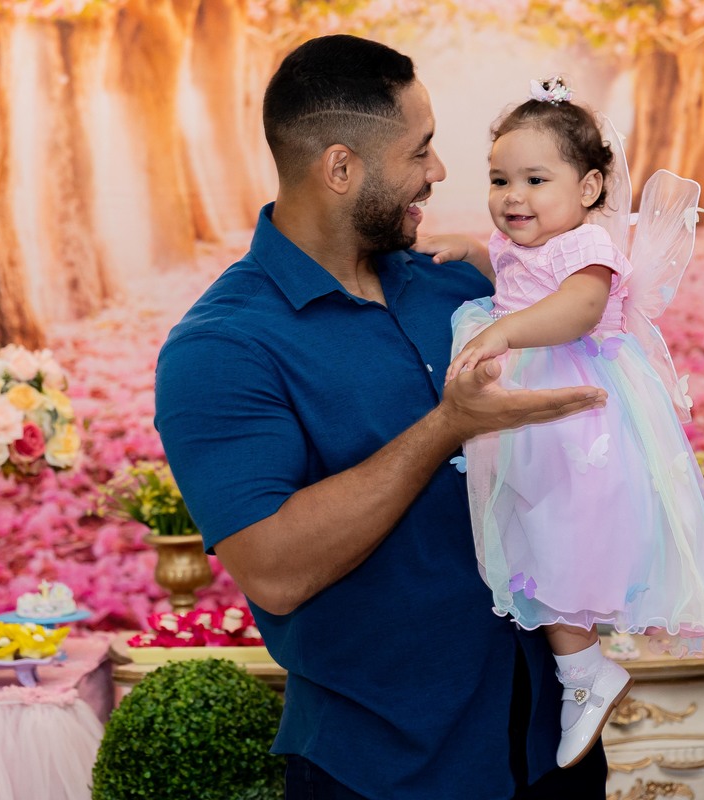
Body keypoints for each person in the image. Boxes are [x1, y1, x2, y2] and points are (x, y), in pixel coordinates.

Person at [154, 37, 612, 800]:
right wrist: (446, 427)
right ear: (341, 168)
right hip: (380, 772)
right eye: (420, 150)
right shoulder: (221, 347)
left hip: (549, 753)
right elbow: (273, 570)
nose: (439, 172)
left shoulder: (459, 286)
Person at [415, 77, 704, 769]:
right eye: (500, 180)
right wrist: (473, 253)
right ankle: (584, 670)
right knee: (530, 533)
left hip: (576, 406)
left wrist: (503, 332)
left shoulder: (587, 248)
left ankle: (585, 672)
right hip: (533, 411)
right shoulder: (531, 243)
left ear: (590, 187)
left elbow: (577, 310)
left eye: (535, 180)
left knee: (558, 534)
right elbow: (514, 272)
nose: (513, 196)